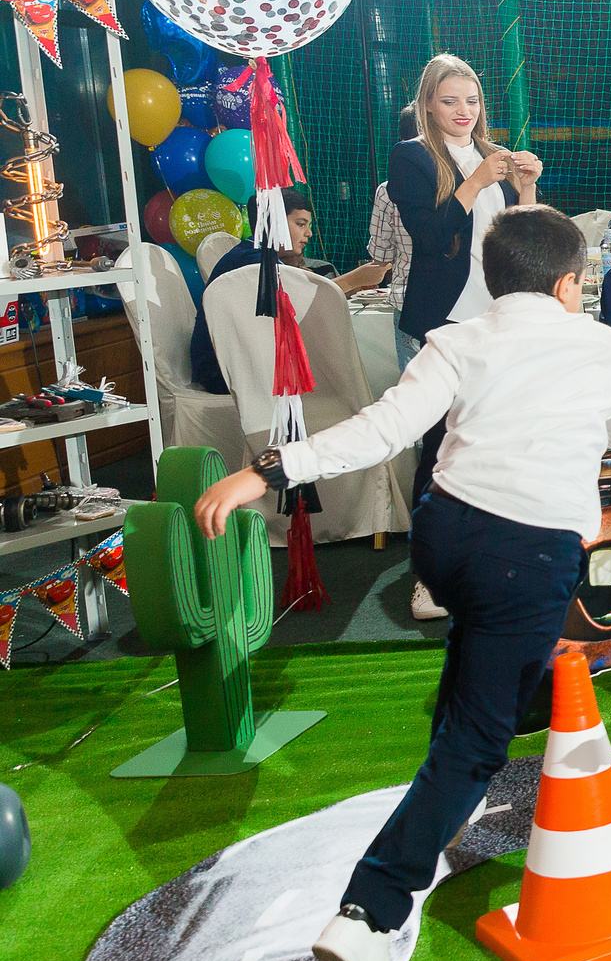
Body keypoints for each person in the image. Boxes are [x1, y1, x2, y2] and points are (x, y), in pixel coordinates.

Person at [189, 207, 611, 961]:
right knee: (479, 738)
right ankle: (370, 910)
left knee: (475, 679)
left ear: (494, 278)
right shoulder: (603, 344)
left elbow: (383, 429)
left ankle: (437, 818)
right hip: (525, 555)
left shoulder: (459, 338)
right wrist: (604, 410)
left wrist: (267, 469)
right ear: (571, 284)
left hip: (445, 537)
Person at [389, 53, 543, 621]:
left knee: (499, 442)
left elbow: (521, 241)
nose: (463, 111)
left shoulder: (492, 157)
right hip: (441, 325)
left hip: (499, 321)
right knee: (439, 449)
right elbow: (429, 239)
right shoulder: (411, 158)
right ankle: (428, 579)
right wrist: (476, 181)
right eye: (450, 100)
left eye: (472, 101)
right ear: (428, 103)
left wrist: (524, 189)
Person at [188, 188, 393, 395]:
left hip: (240, 364)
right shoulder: (250, 262)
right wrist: (355, 278)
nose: (309, 234)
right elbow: (297, 304)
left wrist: (355, 285)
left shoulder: (257, 254)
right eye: (301, 224)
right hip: (223, 373)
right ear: (271, 223)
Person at [366, 104, 418, 291]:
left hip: (408, 295)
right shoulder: (471, 182)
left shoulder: (388, 190)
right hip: (467, 300)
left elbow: (380, 256)